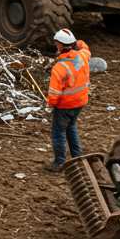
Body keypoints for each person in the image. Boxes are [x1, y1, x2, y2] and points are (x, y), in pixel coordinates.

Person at [45, 28, 91, 172]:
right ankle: (77, 157)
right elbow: (85, 48)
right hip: (80, 102)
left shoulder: (59, 67)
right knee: (71, 127)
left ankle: (59, 162)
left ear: (59, 45)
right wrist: (76, 42)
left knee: (58, 132)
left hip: (65, 105)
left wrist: (50, 105)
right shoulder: (82, 56)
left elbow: (54, 92)